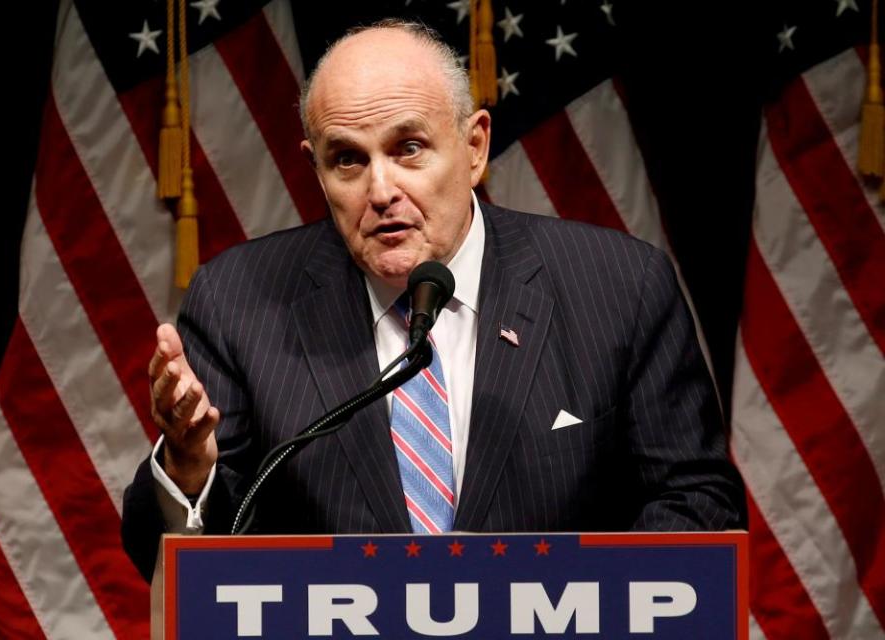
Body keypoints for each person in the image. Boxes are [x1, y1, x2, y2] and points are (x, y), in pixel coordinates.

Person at [122, 19, 746, 582]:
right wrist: (189, 470)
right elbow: (175, 556)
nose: (382, 188)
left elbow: (697, 503)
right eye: (347, 160)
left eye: (408, 148)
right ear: (315, 169)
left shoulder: (617, 287)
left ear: (474, 148)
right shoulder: (238, 303)